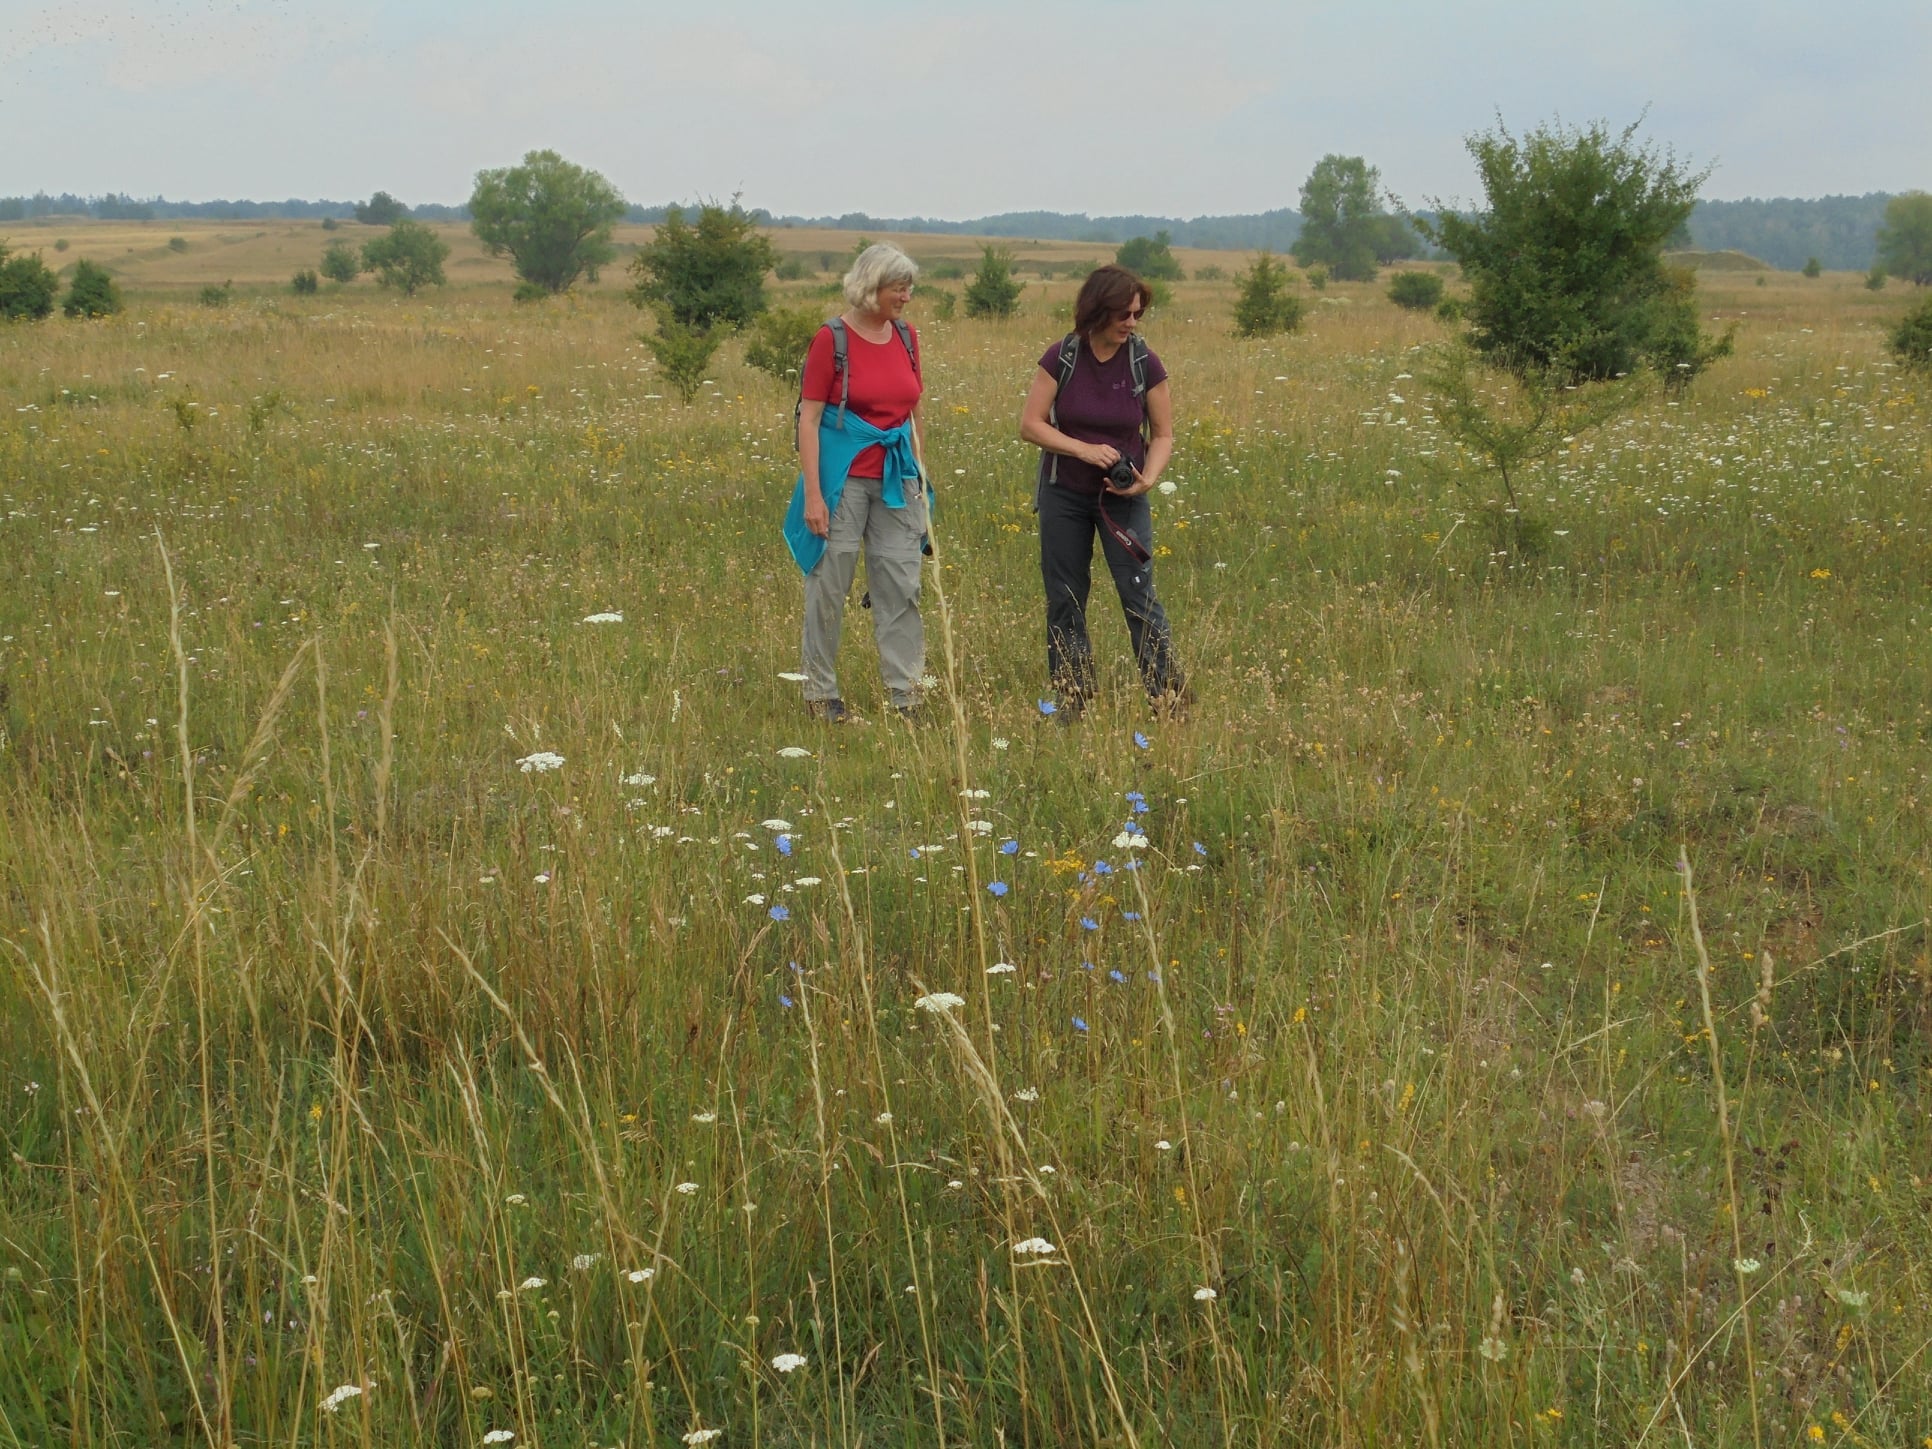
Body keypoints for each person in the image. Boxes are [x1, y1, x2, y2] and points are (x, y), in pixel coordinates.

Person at [1019, 264, 1185, 718]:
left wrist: (1147, 478)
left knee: (1138, 595)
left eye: (1137, 314)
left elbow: (1164, 433)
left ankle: (1167, 700)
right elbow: (1030, 425)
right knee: (1066, 597)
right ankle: (1073, 701)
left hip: (1122, 499)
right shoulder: (1063, 356)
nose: (1132, 323)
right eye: (1123, 314)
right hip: (1064, 496)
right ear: (1097, 311)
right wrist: (1084, 451)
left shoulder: (1144, 363)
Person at [782, 243, 929, 722]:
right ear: (871, 287)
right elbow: (810, 419)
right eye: (897, 287)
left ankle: (906, 697)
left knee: (901, 585)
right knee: (829, 586)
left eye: (908, 287)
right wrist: (814, 496)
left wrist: (922, 484)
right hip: (842, 482)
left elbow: (912, 412)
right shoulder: (833, 339)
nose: (906, 296)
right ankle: (820, 696)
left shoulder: (906, 337)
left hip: (897, 480)